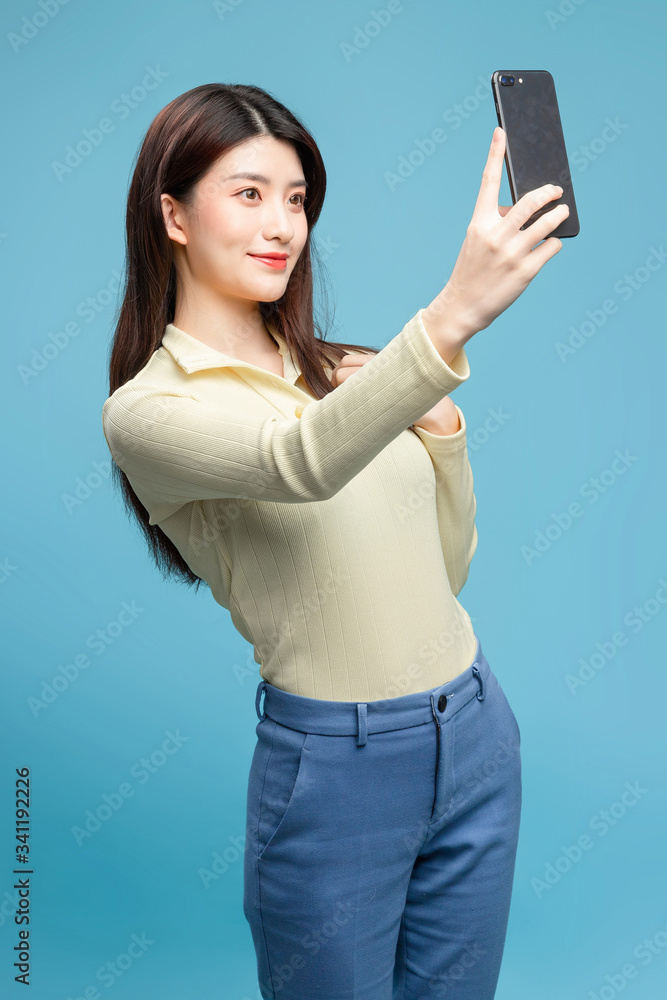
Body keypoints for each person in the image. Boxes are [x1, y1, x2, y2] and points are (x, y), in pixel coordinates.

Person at [101, 83, 569, 1000]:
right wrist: (448, 320)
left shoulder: (351, 372)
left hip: (473, 732)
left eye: (297, 198)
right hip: (336, 772)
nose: (282, 223)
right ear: (174, 215)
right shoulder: (147, 411)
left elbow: (444, 571)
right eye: (248, 193)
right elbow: (295, 463)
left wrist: (442, 433)